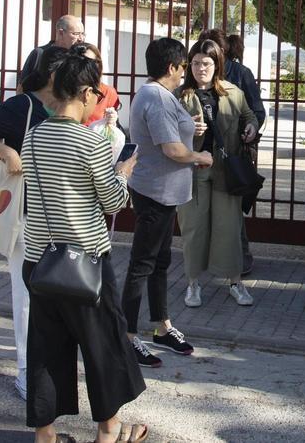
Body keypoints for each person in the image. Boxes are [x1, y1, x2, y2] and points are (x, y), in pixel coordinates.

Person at [21, 51, 147, 443]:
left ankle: (45, 434)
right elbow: (112, 201)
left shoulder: (34, 134)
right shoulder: (87, 142)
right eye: (97, 90)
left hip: (39, 260)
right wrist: (123, 174)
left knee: (45, 348)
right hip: (85, 262)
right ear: (85, 92)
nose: (100, 97)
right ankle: (108, 430)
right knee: (103, 345)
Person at [0, 44, 61, 401]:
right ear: (51, 73)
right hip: (23, 215)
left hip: (57, 214)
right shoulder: (24, 105)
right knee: (25, 296)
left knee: (53, 297)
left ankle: (48, 366)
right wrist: (5, 151)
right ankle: (26, 371)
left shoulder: (68, 106)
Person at [123, 37, 211, 367]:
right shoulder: (156, 97)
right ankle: (128, 335)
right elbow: (171, 150)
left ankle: (162, 326)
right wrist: (199, 156)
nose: (184, 73)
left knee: (159, 262)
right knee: (142, 264)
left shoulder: (162, 96)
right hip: (155, 192)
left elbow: (174, 136)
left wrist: (192, 132)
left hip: (166, 192)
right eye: (183, 67)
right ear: (172, 67)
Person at [176, 39, 259, 308]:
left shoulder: (233, 92)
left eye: (207, 63)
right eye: (197, 63)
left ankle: (235, 282)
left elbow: (250, 116)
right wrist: (187, 128)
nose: (201, 68)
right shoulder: (179, 95)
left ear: (217, 65)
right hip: (192, 172)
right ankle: (192, 283)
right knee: (194, 229)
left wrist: (251, 128)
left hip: (226, 171)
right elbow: (165, 132)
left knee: (229, 228)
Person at [202, 29, 265, 275]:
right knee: (205, 203)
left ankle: (241, 255)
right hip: (203, 150)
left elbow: (256, 111)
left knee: (232, 205)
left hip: (233, 150)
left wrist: (250, 128)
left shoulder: (240, 74)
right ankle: (211, 255)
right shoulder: (199, 73)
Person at [18, 14, 85, 82]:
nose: (81, 38)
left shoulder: (81, 56)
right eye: (76, 34)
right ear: (60, 33)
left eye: (82, 34)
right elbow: (22, 86)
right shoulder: (40, 53)